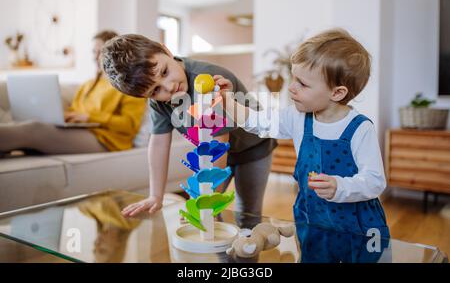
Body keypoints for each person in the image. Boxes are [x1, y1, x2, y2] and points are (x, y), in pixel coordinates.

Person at [215, 28, 391, 262]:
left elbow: (375, 181)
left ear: (337, 93)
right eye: (293, 78)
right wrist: (228, 101)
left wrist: (340, 186)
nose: (291, 87)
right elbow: (258, 122)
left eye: (302, 83)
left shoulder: (360, 128)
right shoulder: (297, 118)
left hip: (357, 226)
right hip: (313, 218)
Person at [100, 34, 277, 226]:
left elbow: (217, 143)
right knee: (205, 216)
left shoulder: (208, 80)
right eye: (155, 91)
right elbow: (158, 144)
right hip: (216, 151)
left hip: (252, 147)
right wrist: (155, 195)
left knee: (246, 213)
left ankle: (246, 254)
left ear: (166, 50)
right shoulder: (158, 103)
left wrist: (206, 200)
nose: (169, 88)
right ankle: (217, 253)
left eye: (165, 72)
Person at [0, 30, 147, 155]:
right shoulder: (87, 85)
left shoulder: (127, 85)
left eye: (100, 52)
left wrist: (89, 117)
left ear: (113, 54)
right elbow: (74, 111)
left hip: (107, 140)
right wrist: (63, 116)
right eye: (93, 52)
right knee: (30, 129)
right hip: (79, 131)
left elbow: (129, 125)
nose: (94, 57)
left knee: (34, 129)